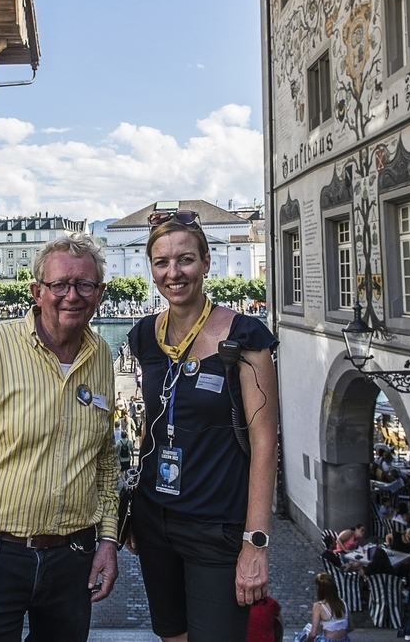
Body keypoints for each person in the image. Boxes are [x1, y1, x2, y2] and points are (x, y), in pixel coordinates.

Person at [0, 233, 119, 641]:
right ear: (37, 292)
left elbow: (105, 461)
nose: (73, 295)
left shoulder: (102, 355)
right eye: (59, 285)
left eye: (85, 284)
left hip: (73, 558)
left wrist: (107, 539)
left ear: (99, 293)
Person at [127, 209, 279, 642]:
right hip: (154, 520)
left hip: (217, 526)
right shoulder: (144, 336)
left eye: (185, 260)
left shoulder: (245, 338)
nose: (174, 273)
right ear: (151, 268)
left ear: (207, 262)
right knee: (172, 635)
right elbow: (152, 422)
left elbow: (265, 443)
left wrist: (256, 543)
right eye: (162, 262)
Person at [305, 573, 354, 642]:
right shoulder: (343, 603)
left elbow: (313, 634)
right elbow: (351, 627)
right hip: (344, 640)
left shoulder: (319, 606)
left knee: (304, 633)